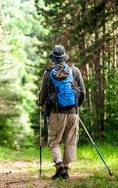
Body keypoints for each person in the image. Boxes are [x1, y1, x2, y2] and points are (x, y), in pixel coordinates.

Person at [37, 45, 86, 180]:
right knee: (70, 141)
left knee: (54, 141)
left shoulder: (48, 73)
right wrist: (77, 107)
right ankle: (65, 168)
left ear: (53, 58)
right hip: (73, 112)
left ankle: (59, 166)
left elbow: (43, 93)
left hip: (56, 113)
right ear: (64, 57)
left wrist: (40, 102)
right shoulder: (74, 71)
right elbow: (83, 92)